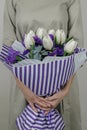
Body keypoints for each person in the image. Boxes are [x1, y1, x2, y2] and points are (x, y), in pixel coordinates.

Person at [3, 0, 83, 130]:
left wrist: (65, 91)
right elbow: (8, 44)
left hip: (62, 88)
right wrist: (25, 91)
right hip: (24, 89)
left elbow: (77, 45)